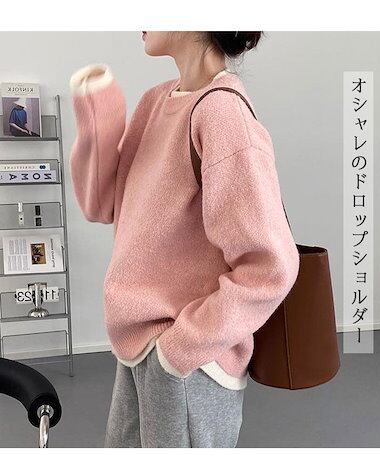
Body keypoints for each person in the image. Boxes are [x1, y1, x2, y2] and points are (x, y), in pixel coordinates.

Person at [69, 31, 300, 448]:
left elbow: (271, 265)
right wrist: (97, 112)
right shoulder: (155, 103)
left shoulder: (222, 114)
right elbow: (99, 205)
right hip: (139, 349)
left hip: (187, 363)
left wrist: (178, 349)